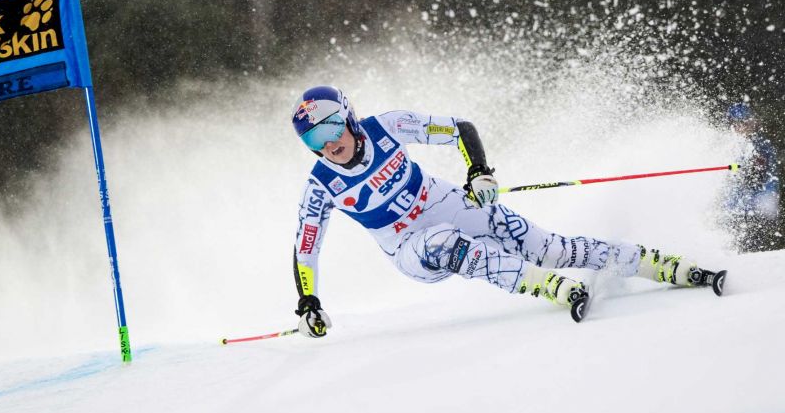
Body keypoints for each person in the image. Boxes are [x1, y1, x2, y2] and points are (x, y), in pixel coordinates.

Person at [290, 85, 712, 337]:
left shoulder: (388, 126)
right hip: (407, 246)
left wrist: (478, 172)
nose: (327, 144)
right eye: (313, 140)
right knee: (450, 245)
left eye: (329, 128)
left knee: (547, 246)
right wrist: (309, 301)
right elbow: (305, 249)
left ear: (349, 116)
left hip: (445, 202)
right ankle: (548, 287)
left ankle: (660, 265)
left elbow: (460, 129)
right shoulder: (320, 185)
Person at [722, 103, 781, 252]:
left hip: (753, 209)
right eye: (738, 124)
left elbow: (772, 175)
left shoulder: (762, 146)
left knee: (751, 248)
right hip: (730, 210)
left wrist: (769, 194)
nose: (743, 128)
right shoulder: (725, 145)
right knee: (728, 246)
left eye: (747, 123)